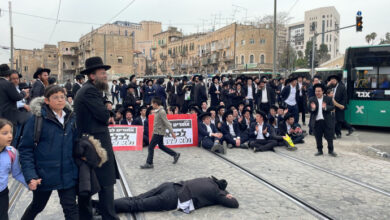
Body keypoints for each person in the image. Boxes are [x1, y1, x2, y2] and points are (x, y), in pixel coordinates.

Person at [19, 85, 79, 219]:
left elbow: (76, 144)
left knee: (71, 209)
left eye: (62, 97)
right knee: (38, 206)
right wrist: (31, 176)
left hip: (67, 173)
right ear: (46, 101)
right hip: (44, 175)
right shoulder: (37, 119)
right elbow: (26, 150)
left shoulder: (71, 118)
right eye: (55, 97)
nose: (60, 100)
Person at [74, 56, 119, 219]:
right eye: (102, 73)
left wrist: (106, 107)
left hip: (91, 143)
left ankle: (86, 215)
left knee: (90, 182)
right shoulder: (90, 91)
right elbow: (102, 115)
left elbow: (102, 109)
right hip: (96, 146)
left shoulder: (90, 89)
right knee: (106, 183)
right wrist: (107, 110)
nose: (106, 76)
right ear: (92, 75)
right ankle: (109, 216)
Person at [99, 176, 238, 214]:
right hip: (172, 198)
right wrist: (227, 194)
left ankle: (101, 204)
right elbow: (235, 204)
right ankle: (103, 207)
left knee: (136, 198)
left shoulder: (207, 179)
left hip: (170, 185)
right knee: (137, 205)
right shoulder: (216, 193)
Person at [140, 97, 180, 169]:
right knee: (161, 146)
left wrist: (172, 133)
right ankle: (175, 154)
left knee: (151, 147)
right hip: (157, 131)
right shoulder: (157, 111)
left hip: (159, 132)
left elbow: (167, 123)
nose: (151, 105)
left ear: (155, 104)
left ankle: (149, 163)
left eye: (152, 103)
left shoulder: (162, 112)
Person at [0, 118, 28, 220]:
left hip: (2, 195)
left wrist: (29, 183)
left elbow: (17, 173)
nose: (10, 136)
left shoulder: (12, 152)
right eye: (5, 133)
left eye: (11, 132)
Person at [308, 83, 337, 157]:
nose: (317, 93)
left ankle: (331, 150)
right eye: (316, 91)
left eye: (319, 91)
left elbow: (333, 107)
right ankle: (319, 150)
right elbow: (309, 109)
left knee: (329, 137)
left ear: (322, 91)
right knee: (318, 137)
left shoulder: (328, 99)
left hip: (326, 121)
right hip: (316, 121)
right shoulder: (312, 99)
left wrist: (325, 107)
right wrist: (313, 108)